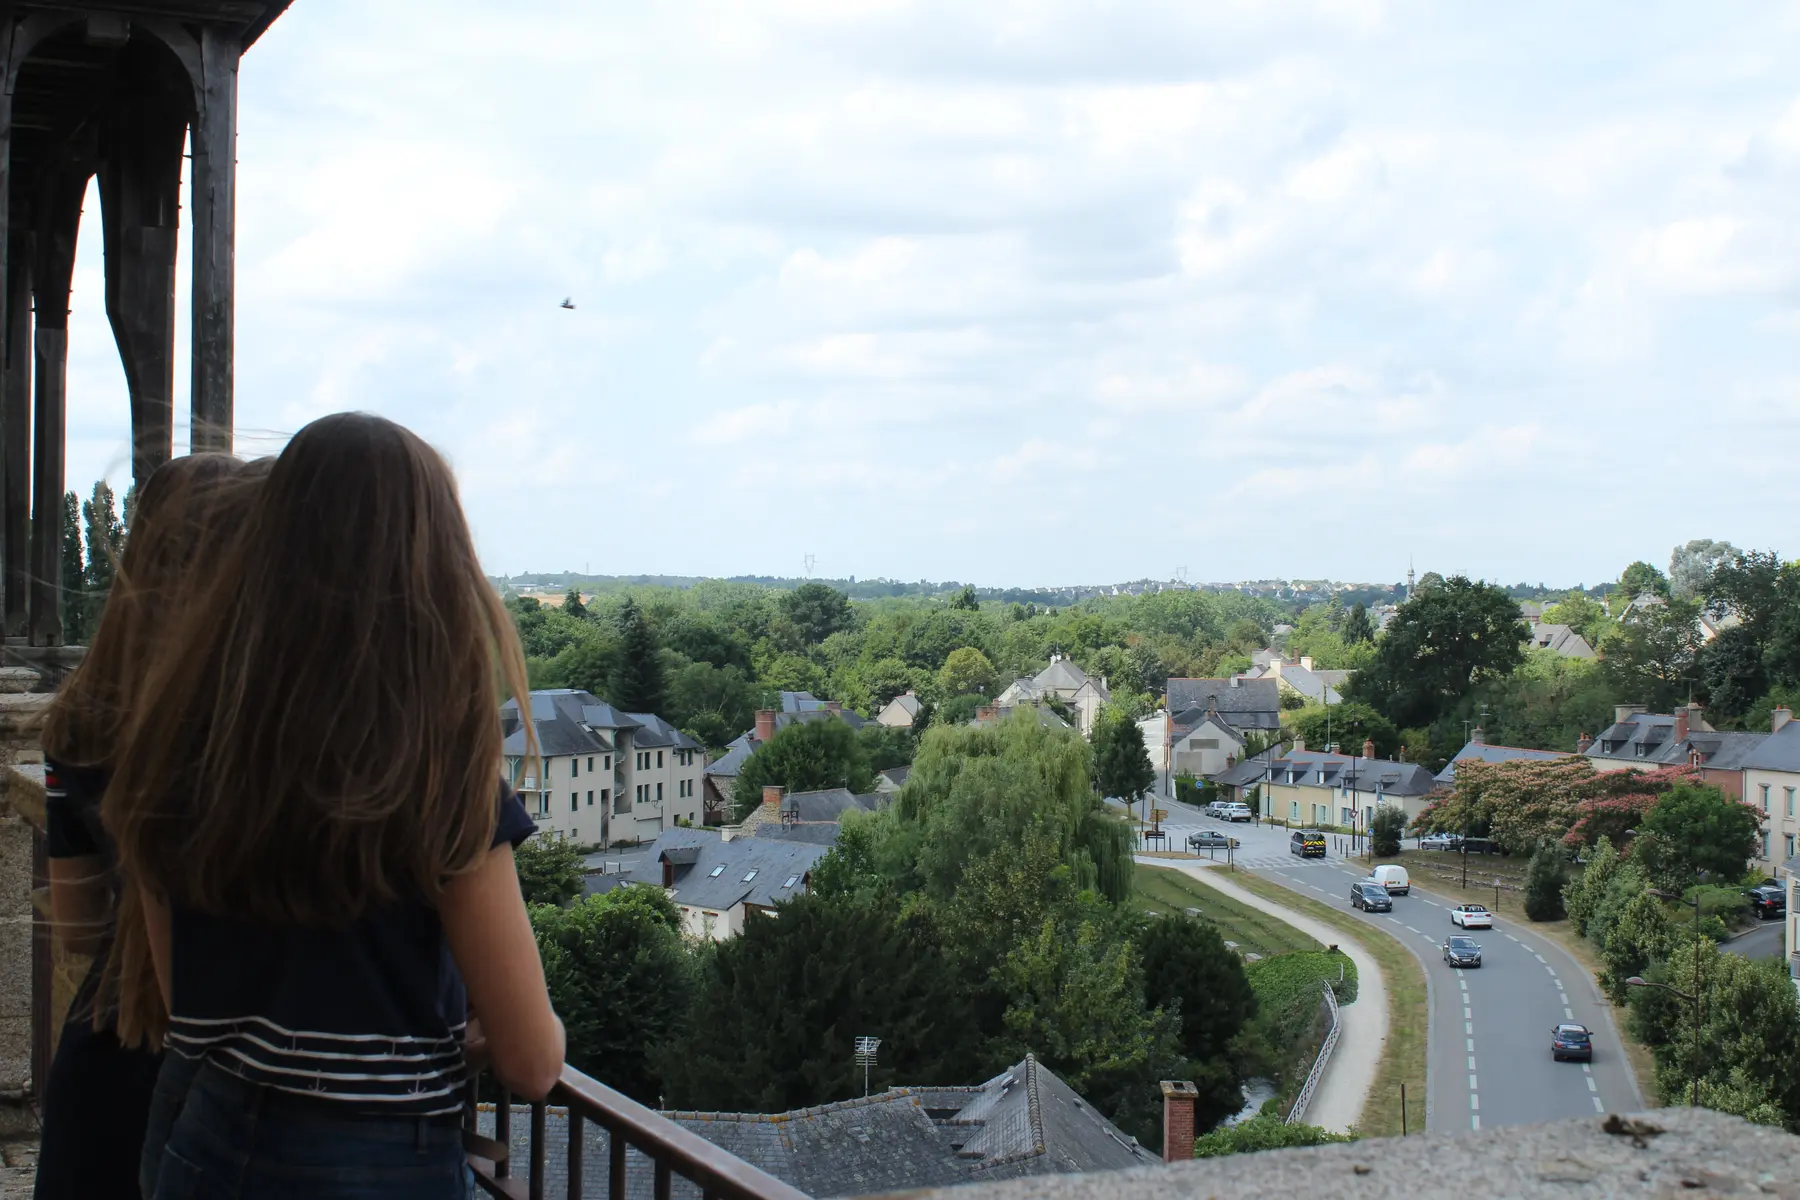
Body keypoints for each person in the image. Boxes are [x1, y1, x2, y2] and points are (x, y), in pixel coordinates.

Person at [107, 413, 564, 1199]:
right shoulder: (437, 781)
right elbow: (532, 1063)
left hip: (207, 1136)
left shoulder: (180, 747)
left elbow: (190, 1000)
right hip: (381, 1159)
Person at [37, 453, 269, 1200]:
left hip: (107, 1049)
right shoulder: (264, 724)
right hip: (241, 1076)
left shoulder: (79, 720)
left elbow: (77, 923)